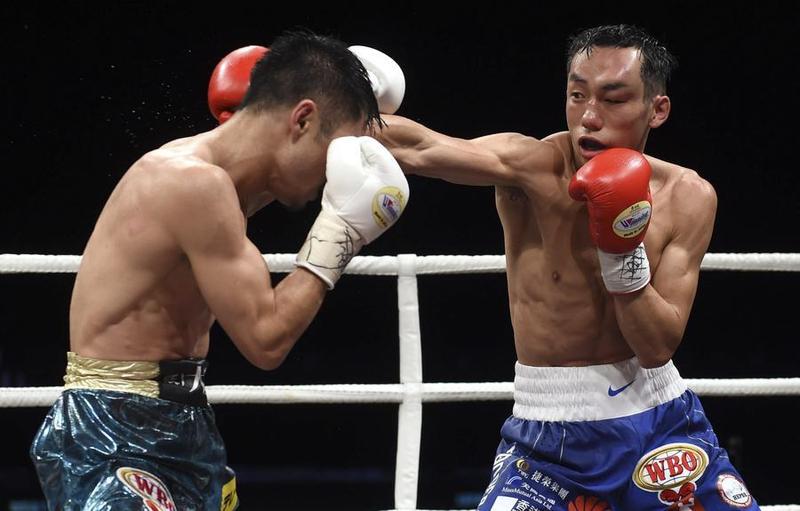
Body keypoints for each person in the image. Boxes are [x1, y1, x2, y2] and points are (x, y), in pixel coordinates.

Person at [376, 25, 758, 510]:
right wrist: (331, 105)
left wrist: (622, 252)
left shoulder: (689, 197)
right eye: (577, 96)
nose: (589, 118)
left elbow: (657, 346)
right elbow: (418, 147)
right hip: (549, 434)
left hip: (659, 420)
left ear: (656, 109)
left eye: (614, 100)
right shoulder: (531, 167)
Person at [29, 30, 409, 510]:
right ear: (303, 119)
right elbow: (266, 340)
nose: (336, 173)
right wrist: (341, 231)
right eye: (335, 152)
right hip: (115, 430)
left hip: (183, 423)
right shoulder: (193, 184)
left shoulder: (229, 184)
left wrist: (354, 85)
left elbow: (405, 147)